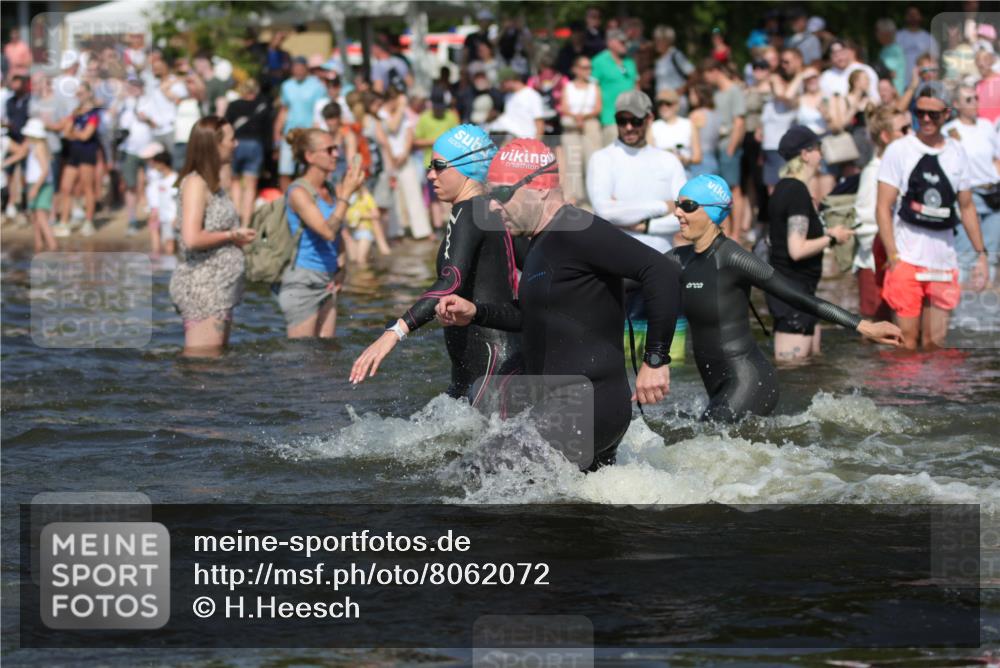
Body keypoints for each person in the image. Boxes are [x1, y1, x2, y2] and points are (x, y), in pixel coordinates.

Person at [434, 139, 681, 471]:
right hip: (566, 406)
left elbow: (661, 270)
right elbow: (532, 315)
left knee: (474, 475)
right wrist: (476, 312)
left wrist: (655, 358)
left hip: (587, 402)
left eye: (502, 194)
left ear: (537, 186)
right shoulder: (542, 242)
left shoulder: (576, 229)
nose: (492, 207)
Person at [667, 174, 902, 421]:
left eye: (688, 206)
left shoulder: (733, 258)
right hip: (718, 386)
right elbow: (636, 272)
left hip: (748, 382)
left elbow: (799, 297)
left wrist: (863, 325)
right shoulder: (679, 259)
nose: (678, 213)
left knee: (707, 446)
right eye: (677, 204)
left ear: (713, 212)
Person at [350, 125, 523, 403]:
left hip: (490, 361)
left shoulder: (470, 211)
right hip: (488, 358)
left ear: (467, 167)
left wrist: (395, 332)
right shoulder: (486, 209)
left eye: (439, 166)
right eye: (430, 165)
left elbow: (450, 280)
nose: (430, 174)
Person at [877, 85, 990, 350]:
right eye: (920, 113)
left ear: (946, 114)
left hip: (943, 262)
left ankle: (932, 393)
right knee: (905, 343)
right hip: (906, 258)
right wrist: (893, 255)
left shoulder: (956, 151)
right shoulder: (899, 149)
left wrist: (981, 255)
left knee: (935, 343)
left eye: (934, 114)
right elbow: (883, 206)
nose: (926, 119)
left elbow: (967, 206)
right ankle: (902, 392)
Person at [766, 125, 856, 361]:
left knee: (809, 369)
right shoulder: (795, 191)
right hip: (791, 296)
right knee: (792, 374)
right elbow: (796, 250)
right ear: (805, 154)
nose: (822, 154)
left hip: (800, 293)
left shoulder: (786, 188)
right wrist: (832, 237)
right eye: (818, 148)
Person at [169, 116, 256, 357]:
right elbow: (192, 238)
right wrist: (232, 234)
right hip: (203, 289)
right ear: (214, 145)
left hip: (219, 288)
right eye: (231, 139)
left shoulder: (213, 184)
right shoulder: (196, 183)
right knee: (203, 367)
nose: (236, 144)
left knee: (216, 364)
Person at [279, 128, 365, 338]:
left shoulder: (329, 189)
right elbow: (327, 231)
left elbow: (339, 233)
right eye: (329, 150)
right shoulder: (298, 192)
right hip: (303, 282)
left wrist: (342, 268)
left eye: (336, 148)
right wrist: (346, 196)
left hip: (329, 279)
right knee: (302, 357)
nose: (336, 154)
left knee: (326, 355)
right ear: (310, 156)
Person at [854, 105, 909, 321]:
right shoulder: (874, 171)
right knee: (875, 332)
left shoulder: (900, 166)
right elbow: (865, 222)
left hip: (897, 260)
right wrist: (888, 253)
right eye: (903, 130)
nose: (910, 134)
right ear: (886, 136)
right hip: (875, 265)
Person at [943, 86, 1000, 282]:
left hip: (993, 195)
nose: (975, 102)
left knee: (990, 254)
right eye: (968, 99)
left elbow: (996, 158)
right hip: (969, 195)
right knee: (965, 253)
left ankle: (987, 310)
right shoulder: (950, 130)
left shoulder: (986, 126)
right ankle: (960, 307)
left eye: (976, 98)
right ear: (957, 104)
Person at [702, 60, 747, 239]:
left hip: (729, 146)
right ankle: (726, 232)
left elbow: (739, 121)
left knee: (734, 189)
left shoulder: (734, 91)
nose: (706, 78)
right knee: (721, 191)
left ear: (715, 71)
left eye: (707, 74)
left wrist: (731, 147)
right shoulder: (716, 93)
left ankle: (736, 233)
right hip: (717, 147)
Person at [54, 82, 100, 237]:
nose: (78, 96)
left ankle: (88, 221)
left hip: (87, 153)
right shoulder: (75, 112)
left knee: (88, 187)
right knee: (66, 187)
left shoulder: (94, 113)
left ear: (88, 94)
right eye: (77, 94)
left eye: (81, 93)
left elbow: (86, 135)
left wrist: (74, 132)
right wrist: (75, 132)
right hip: (74, 152)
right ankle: (64, 221)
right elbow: (66, 132)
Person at [2, 118, 57, 252]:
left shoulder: (39, 148)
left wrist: (36, 188)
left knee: (41, 217)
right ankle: (39, 246)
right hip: (36, 184)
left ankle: (53, 246)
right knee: (35, 217)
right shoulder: (34, 146)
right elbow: (21, 153)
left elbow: (44, 171)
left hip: (41, 185)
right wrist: (4, 163)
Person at [274, 56, 327, 191]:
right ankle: (286, 202)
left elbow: (320, 111)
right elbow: (284, 110)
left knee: (306, 169)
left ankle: (305, 199)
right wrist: (277, 133)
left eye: (300, 68)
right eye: (295, 68)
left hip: (308, 134)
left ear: (306, 69)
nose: (297, 71)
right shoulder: (287, 86)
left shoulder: (317, 86)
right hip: (290, 133)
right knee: (285, 170)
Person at [224, 79, 270, 226]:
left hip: (236, 144)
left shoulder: (233, 105)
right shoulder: (262, 105)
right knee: (250, 187)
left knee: (235, 182)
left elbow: (226, 127)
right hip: (255, 145)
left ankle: (237, 215)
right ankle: (246, 223)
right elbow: (267, 129)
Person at [560, 55, 602, 204]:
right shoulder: (568, 86)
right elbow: (564, 107)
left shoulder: (594, 86)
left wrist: (583, 117)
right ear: (576, 69)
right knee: (573, 163)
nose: (587, 70)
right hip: (572, 126)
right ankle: (575, 197)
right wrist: (576, 117)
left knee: (592, 161)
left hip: (590, 125)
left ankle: (594, 196)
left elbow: (598, 107)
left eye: (589, 67)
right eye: (584, 67)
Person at [592, 29, 638, 146]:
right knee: (612, 157)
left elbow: (636, 87)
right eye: (621, 42)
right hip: (610, 119)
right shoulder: (598, 61)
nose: (625, 45)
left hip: (632, 118)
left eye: (626, 42)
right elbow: (592, 88)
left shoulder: (629, 62)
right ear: (610, 42)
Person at [650, 87, 701, 170]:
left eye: (668, 103)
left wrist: (685, 160)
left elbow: (697, 157)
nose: (664, 107)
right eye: (660, 104)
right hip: (661, 172)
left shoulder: (689, 125)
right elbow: (649, 156)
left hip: (684, 171)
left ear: (677, 105)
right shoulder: (653, 127)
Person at [143, 146, 179, 258]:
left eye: (156, 163)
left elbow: (178, 200)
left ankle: (171, 272)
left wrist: (176, 216)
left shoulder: (174, 179)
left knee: (170, 245)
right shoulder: (161, 179)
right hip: (164, 217)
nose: (154, 166)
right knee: (168, 245)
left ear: (163, 163)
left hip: (172, 217)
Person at [896, 6, 939, 89]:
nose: (913, 17)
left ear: (920, 17)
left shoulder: (928, 38)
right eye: (910, 14)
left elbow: (935, 62)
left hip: (925, 85)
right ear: (905, 17)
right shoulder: (898, 36)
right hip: (902, 84)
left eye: (915, 14)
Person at [686, 82, 721, 180]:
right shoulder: (715, 113)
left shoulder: (695, 115)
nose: (690, 97)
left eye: (692, 94)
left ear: (699, 95)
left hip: (699, 160)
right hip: (713, 158)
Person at [652, 26, 694, 98]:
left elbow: (694, 75)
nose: (656, 43)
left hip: (677, 102)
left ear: (668, 41)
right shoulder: (658, 59)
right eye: (655, 40)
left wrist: (680, 91)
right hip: (662, 101)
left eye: (659, 40)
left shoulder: (676, 55)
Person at [877, 19, 907, 95]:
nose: (877, 34)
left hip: (895, 94)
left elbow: (890, 72)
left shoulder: (894, 50)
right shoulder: (885, 49)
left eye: (878, 31)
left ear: (886, 33)